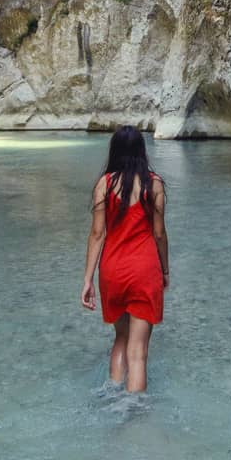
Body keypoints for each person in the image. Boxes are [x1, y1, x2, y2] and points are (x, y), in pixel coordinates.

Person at [81, 126, 169, 393]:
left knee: (120, 339)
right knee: (138, 351)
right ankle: (135, 415)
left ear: (115, 152)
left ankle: (113, 397)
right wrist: (165, 270)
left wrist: (87, 280)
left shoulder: (104, 184)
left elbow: (97, 234)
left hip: (112, 271)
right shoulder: (153, 184)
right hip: (144, 270)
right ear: (142, 152)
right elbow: (159, 233)